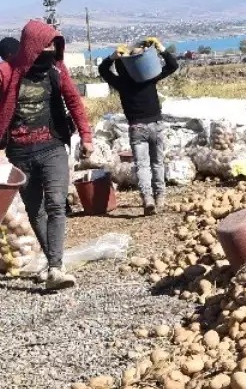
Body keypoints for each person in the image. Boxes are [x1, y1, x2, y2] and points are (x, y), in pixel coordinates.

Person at [0, 20, 93, 291]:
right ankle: (54, 263)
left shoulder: (56, 70)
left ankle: (55, 266)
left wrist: (86, 136)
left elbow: (73, 101)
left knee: (55, 204)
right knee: (35, 210)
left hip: (53, 147)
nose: (51, 50)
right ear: (32, 46)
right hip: (20, 152)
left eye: (54, 45)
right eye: (46, 45)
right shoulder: (7, 72)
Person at [98, 37, 180, 215]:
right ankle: (161, 197)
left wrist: (112, 57)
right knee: (157, 163)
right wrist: (160, 48)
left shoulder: (121, 83)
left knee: (142, 165)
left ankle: (147, 199)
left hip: (137, 128)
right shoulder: (149, 77)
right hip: (156, 124)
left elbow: (102, 70)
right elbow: (173, 65)